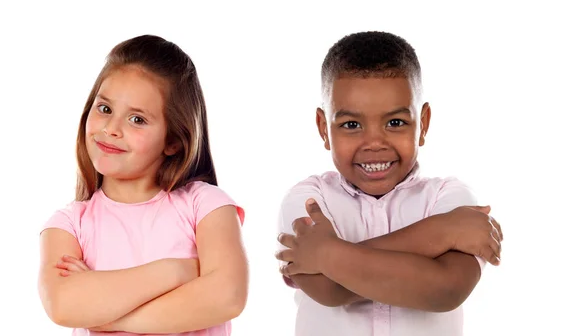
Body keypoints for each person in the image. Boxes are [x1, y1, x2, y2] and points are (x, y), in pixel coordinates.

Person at [276, 31, 504, 336]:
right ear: (323, 128)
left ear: (422, 124)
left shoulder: (451, 198)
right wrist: (442, 232)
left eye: (395, 123)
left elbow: (446, 289)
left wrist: (328, 254)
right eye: (351, 125)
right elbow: (327, 289)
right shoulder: (309, 200)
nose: (374, 143)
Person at [38, 35, 248, 336]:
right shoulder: (68, 225)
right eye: (105, 109)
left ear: (173, 141)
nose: (111, 129)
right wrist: (178, 271)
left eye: (137, 119)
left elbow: (227, 296)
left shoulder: (206, 206)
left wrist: (107, 316)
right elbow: (63, 305)